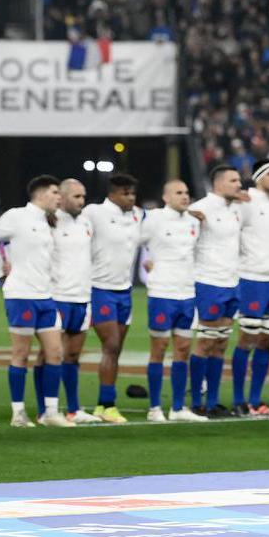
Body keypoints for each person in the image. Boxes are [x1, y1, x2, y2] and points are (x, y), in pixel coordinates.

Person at [0, 175, 74, 428]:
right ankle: (18, 413)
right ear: (41, 194)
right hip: (21, 296)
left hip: (45, 296)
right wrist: (0, 269)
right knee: (21, 354)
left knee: (55, 353)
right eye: (55, 192)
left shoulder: (48, 221)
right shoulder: (17, 216)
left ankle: (50, 413)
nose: (59, 197)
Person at [140, 179, 205, 422]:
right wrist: (147, 262)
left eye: (186, 192)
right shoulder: (154, 219)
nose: (185, 196)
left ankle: (178, 408)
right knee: (158, 349)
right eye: (178, 193)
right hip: (162, 293)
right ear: (166, 197)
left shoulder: (193, 222)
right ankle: (155, 408)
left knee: (183, 350)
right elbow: (132, 242)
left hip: (187, 293)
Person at [82, 173, 143, 423]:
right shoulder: (94, 212)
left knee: (115, 350)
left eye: (133, 193)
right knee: (112, 344)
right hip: (99, 288)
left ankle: (101, 405)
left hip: (124, 291)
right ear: (112, 194)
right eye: (125, 193)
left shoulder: (138, 215)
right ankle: (109, 404)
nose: (131, 198)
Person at [41, 178, 101, 423]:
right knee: (49, 354)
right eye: (76, 196)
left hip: (82, 297)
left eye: (83, 196)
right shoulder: (49, 221)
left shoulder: (86, 222)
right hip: (58, 296)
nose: (81, 201)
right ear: (62, 198)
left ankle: (74, 410)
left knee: (74, 355)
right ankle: (45, 410)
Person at [189, 164, 243, 418]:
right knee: (205, 343)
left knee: (221, 343)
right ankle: (196, 401)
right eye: (234, 181)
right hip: (208, 282)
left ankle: (213, 401)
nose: (239, 185)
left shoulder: (236, 210)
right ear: (219, 184)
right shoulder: (201, 209)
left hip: (232, 283)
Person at [232, 159, 269, 416]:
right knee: (247, 339)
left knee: (267, 340)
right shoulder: (246, 201)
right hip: (252, 278)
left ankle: (256, 400)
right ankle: (238, 399)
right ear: (258, 177)